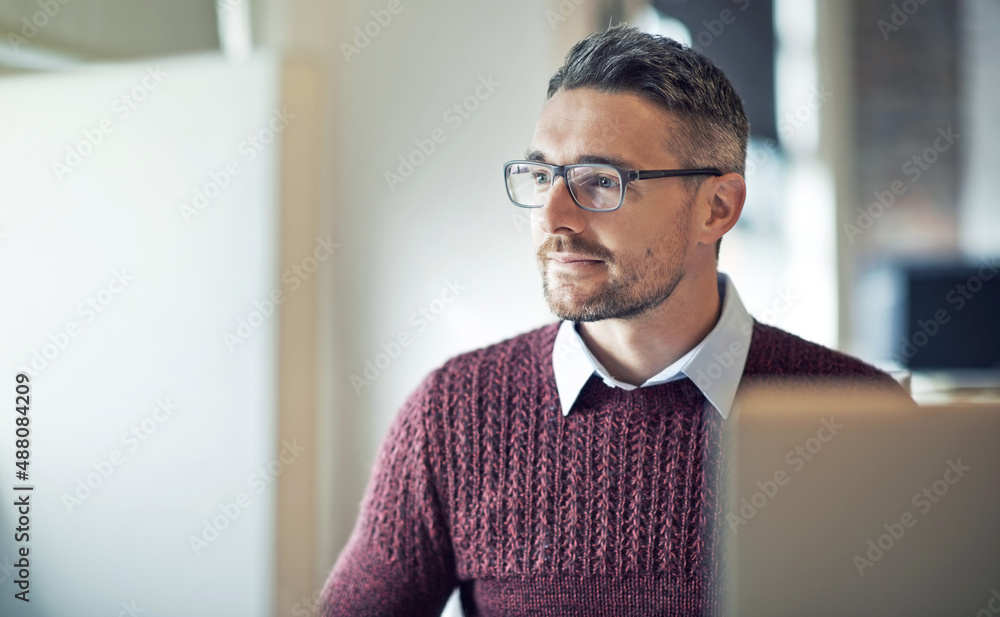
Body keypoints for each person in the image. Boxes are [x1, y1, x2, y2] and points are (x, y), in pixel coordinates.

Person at [316, 24, 906, 617]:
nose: (552, 216)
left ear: (717, 208)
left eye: (600, 181)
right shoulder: (455, 412)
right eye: (542, 176)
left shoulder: (855, 412)